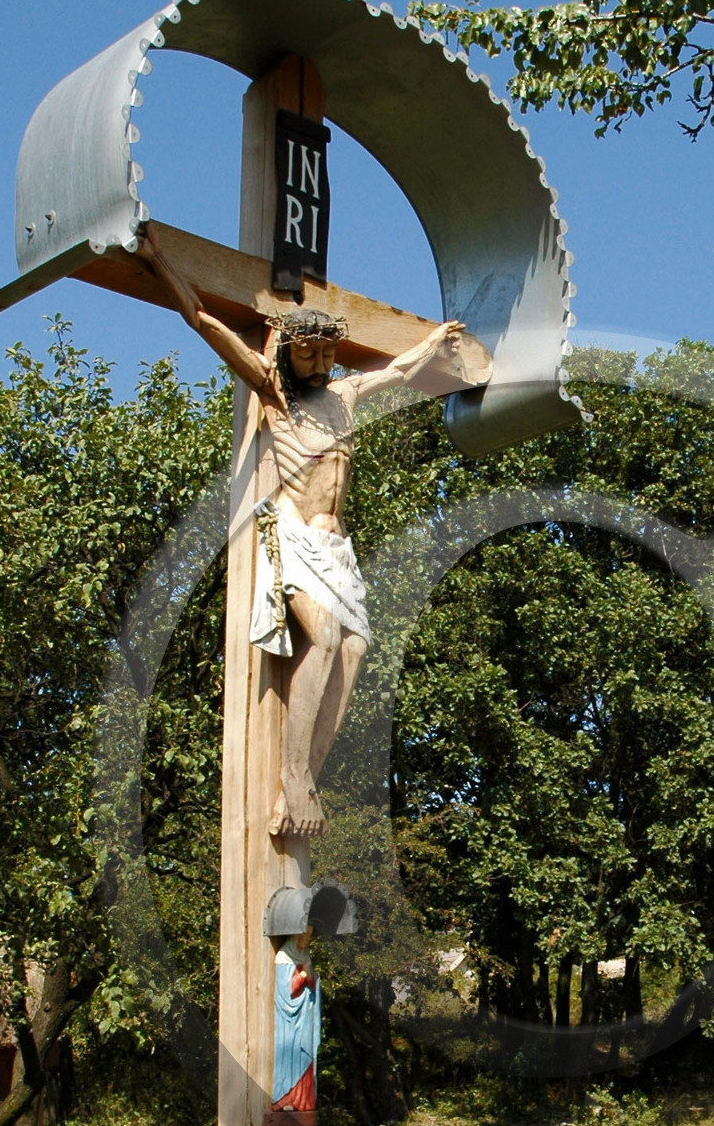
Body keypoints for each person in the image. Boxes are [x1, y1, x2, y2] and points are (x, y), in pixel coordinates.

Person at [139, 223, 473, 837]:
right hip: (295, 537)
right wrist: (160, 262)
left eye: (326, 353)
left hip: (336, 546)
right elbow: (206, 323)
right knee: (320, 638)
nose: (319, 364)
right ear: (286, 353)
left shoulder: (345, 395)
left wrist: (437, 340)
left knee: (354, 649)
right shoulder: (276, 397)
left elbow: (401, 370)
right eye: (306, 354)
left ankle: (306, 779)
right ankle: (290, 775)